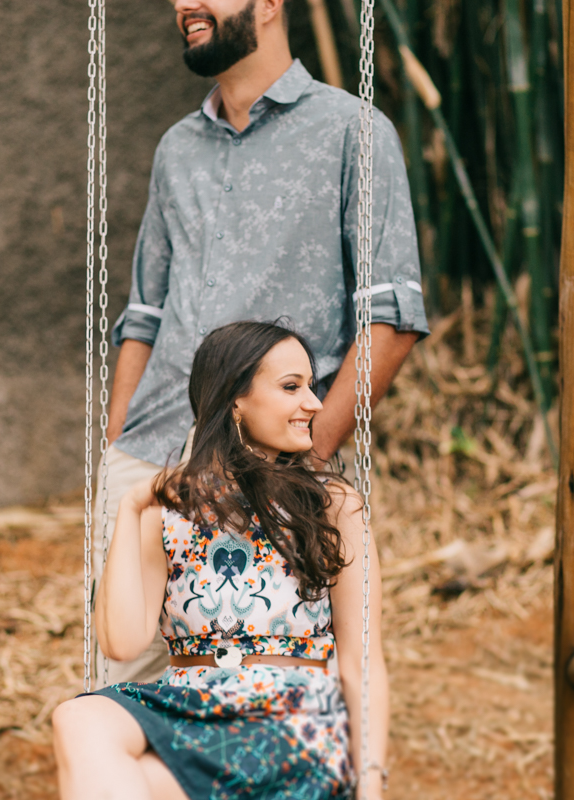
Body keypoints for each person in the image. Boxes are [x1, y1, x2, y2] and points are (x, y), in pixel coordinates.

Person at [97, 0, 429, 685]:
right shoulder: (176, 148)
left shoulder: (352, 132)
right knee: (125, 682)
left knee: (256, 694)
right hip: (148, 457)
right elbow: (145, 312)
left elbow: (390, 318)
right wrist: (118, 444)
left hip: (267, 466)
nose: (184, 3)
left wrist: (303, 459)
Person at [55, 321, 388, 800]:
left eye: (310, 386)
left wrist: (370, 780)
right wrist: (130, 509)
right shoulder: (169, 509)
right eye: (292, 387)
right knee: (79, 717)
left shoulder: (331, 505)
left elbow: (362, 661)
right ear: (235, 400)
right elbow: (121, 645)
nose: (315, 403)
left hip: (290, 714)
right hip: (190, 710)